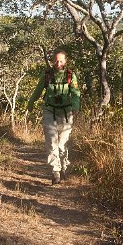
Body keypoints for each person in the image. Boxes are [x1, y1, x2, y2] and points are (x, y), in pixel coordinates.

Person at [25, 49, 81, 185]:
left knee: (62, 144)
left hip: (66, 113)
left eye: (61, 60)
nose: (58, 63)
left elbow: (75, 93)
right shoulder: (47, 75)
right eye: (56, 60)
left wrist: (75, 107)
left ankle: (64, 166)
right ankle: (55, 171)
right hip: (49, 111)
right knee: (51, 142)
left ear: (65, 61)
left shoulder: (70, 75)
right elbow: (38, 90)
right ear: (53, 61)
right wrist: (30, 103)